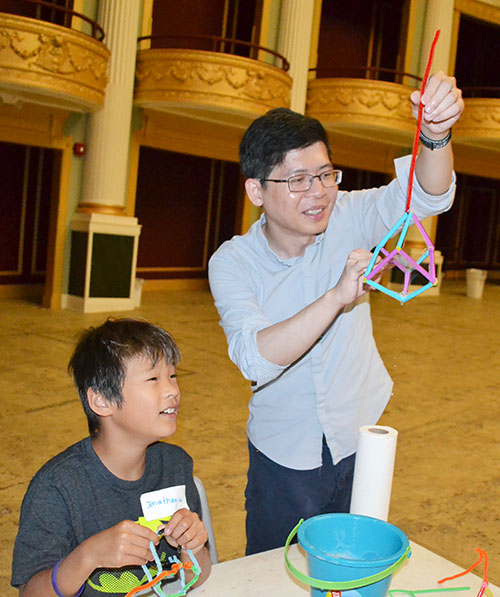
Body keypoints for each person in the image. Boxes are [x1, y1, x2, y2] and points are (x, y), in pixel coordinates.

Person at [208, 71, 464, 555]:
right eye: (298, 180)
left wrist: (434, 134)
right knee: (276, 571)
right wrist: (335, 296)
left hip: (358, 436)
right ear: (257, 191)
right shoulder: (233, 262)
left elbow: (429, 195)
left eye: (325, 174)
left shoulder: (349, 214)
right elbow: (255, 358)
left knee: (354, 564)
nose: (319, 192)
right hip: (283, 455)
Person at [11, 318, 211, 596]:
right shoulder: (58, 487)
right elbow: (30, 593)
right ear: (102, 401)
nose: (172, 390)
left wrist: (194, 546)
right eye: (153, 379)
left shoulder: (176, 465)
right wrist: (89, 555)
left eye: (173, 376)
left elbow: (198, 576)